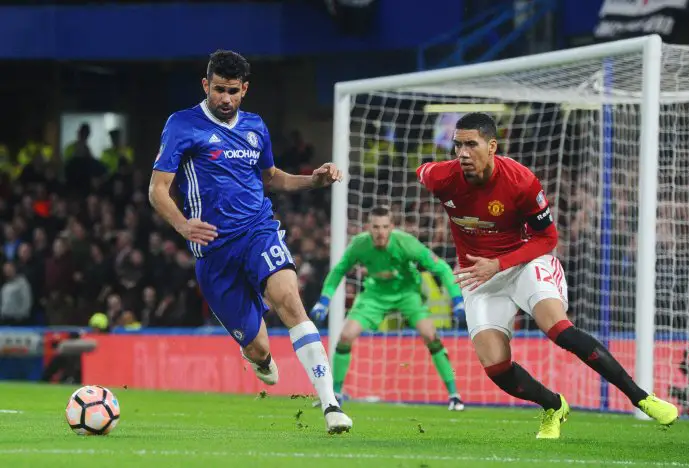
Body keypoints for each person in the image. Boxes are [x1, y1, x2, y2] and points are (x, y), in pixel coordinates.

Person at [416, 112, 678, 439]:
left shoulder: (520, 181)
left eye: (472, 144)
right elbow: (422, 171)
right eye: (457, 145)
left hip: (525, 262)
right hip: (479, 278)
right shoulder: (441, 177)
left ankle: (641, 397)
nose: (462, 153)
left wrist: (498, 264)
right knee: (496, 367)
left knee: (559, 330)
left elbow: (548, 238)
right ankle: (553, 405)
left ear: (492, 145)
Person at [148, 49, 352, 434]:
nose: (225, 98)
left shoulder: (256, 126)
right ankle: (259, 359)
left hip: (258, 230)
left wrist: (313, 180)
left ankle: (330, 403)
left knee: (291, 303)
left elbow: (271, 177)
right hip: (213, 251)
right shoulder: (182, 125)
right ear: (206, 85)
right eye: (219, 90)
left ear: (245, 90)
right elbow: (158, 189)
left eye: (233, 91)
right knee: (258, 347)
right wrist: (182, 225)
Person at [311, 205, 467, 410]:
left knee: (431, 335)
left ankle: (454, 395)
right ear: (368, 227)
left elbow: (442, 268)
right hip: (375, 294)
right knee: (346, 335)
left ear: (392, 226)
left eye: (385, 227)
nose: (380, 232)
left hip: (407, 294)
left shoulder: (407, 243)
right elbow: (338, 271)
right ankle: (337, 393)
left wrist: (457, 300)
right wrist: (324, 300)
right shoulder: (359, 244)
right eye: (375, 227)